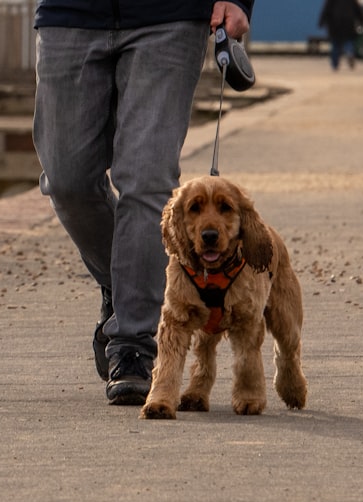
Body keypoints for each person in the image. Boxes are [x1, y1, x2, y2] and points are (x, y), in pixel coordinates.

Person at [32, 1, 254, 406]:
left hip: (170, 17)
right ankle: (123, 284)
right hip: (71, 14)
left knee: (147, 179)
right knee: (67, 181)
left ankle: (134, 344)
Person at [319, 0, 363, 71]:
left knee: (335, 44)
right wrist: (362, 21)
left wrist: (321, 22)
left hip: (335, 23)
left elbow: (326, 10)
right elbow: (357, 10)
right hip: (349, 22)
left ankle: (335, 64)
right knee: (348, 41)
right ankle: (349, 52)